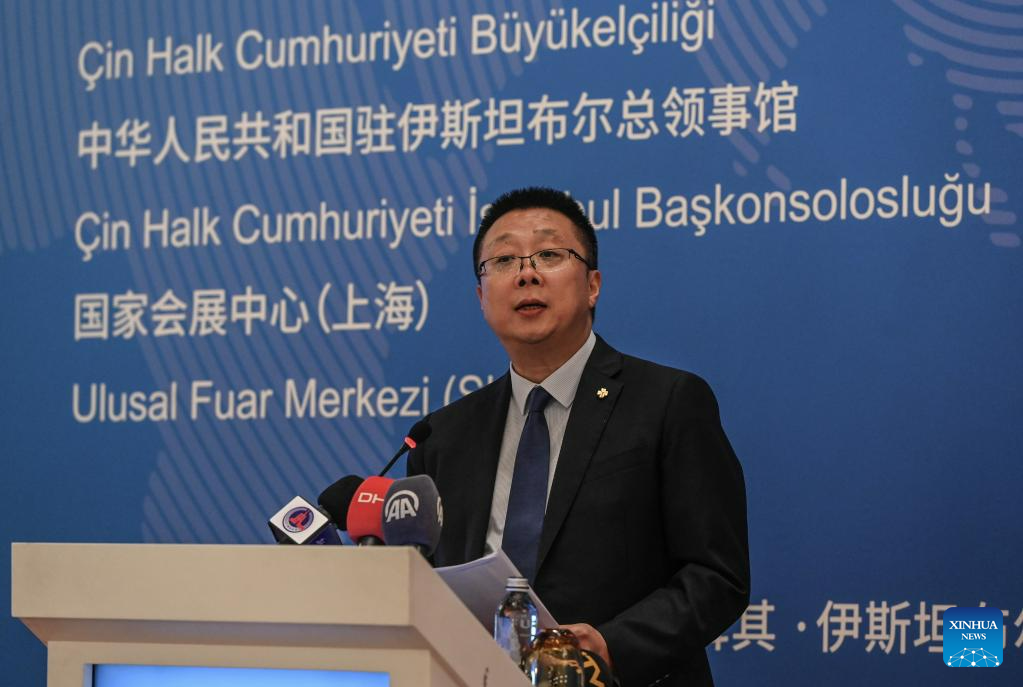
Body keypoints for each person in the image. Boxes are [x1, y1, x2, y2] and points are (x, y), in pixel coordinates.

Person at [407, 187, 749, 687]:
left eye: (549, 254)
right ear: (481, 298)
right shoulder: (444, 435)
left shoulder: (667, 402)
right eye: (503, 260)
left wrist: (612, 646)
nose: (526, 273)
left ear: (592, 285)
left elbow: (717, 575)